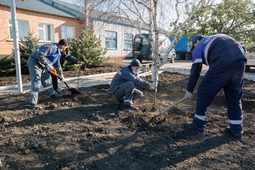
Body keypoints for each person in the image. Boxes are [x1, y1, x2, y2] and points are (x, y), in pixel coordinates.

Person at [185, 34, 247, 139]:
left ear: (197, 41)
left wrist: (189, 90)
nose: (194, 48)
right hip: (240, 60)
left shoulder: (199, 45)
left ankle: (198, 124)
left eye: (193, 46)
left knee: (203, 92)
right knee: (234, 96)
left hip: (222, 61)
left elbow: (195, 70)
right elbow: (242, 48)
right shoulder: (217, 38)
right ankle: (236, 130)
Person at [27, 39, 68, 109]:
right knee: (36, 80)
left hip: (42, 64)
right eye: (65, 47)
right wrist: (47, 64)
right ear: (63, 45)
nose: (65, 49)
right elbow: (40, 55)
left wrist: (61, 76)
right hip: (34, 62)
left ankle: (52, 94)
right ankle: (33, 103)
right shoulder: (50, 47)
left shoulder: (58, 53)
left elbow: (58, 66)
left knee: (46, 77)